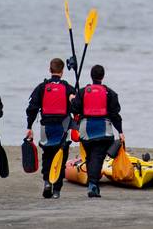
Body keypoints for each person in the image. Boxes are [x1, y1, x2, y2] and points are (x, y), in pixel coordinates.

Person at [70, 64, 123, 198]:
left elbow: (75, 110)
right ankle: (93, 184)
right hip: (103, 131)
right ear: (103, 76)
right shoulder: (110, 93)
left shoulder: (82, 92)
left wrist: (72, 100)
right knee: (97, 157)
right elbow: (115, 114)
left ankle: (92, 182)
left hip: (85, 131)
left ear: (91, 76)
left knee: (90, 157)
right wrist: (120, 131)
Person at [25, 57, 75, 199]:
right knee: (61, 157)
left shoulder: (42, 87)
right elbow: (76, 105)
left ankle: (47, 182)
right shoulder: (67, 87)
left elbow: (32, 108)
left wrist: (29, 126)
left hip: (46, 126)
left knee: (47, 155)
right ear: (62, 71)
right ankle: (57, 190)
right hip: (63, 127)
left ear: (50, 69)